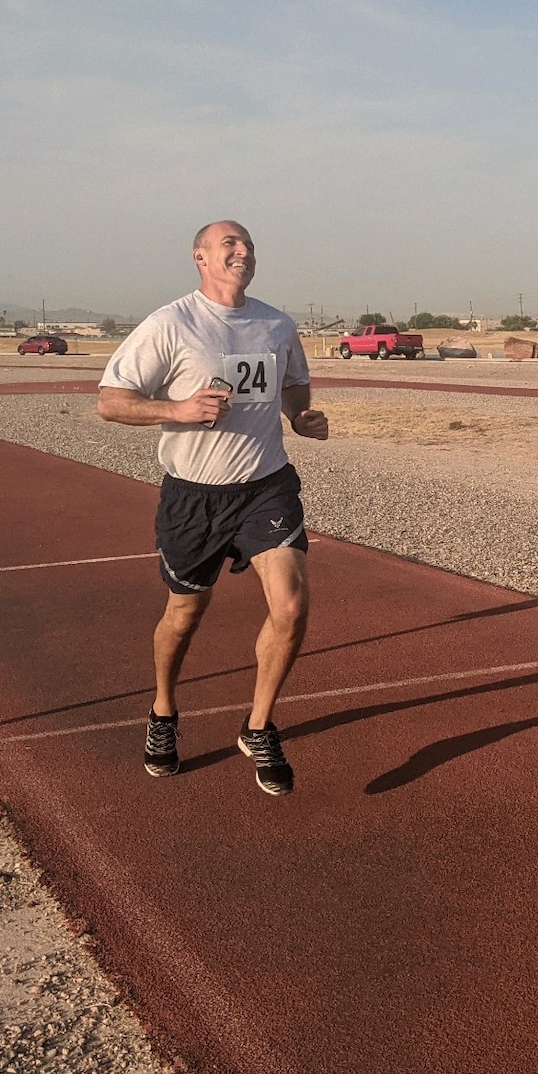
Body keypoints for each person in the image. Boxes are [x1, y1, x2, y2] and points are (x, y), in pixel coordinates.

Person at [97, 220, 329, 794]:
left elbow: (293, 385)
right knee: (184, 616)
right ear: (200, 257)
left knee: (293, 605)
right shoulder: (171, 324)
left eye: (248, 244)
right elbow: (111, 402)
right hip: (194, 496)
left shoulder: (276, 324)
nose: (243, 251)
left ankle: (258, 726)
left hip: (265, 486)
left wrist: (299, 417)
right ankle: (163, 712)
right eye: (230, 244)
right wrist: (176, 410)